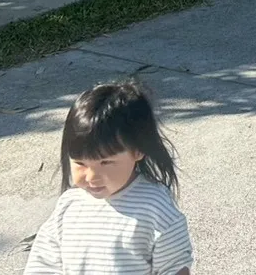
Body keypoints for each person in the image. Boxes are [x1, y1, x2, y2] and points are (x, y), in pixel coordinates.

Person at [24, 81, 193, 275]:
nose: (91, 177)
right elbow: (44, 264)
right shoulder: (68, 206)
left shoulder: (155, 208)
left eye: (105, 162)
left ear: (138, 150)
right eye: (80, 163)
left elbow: (174, 267)